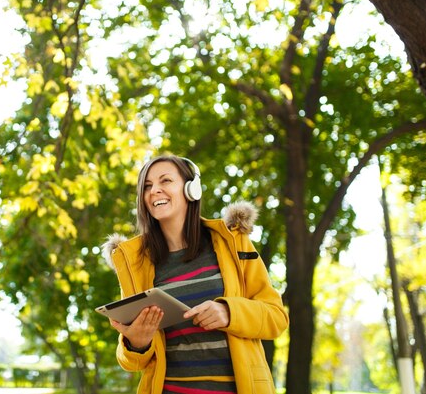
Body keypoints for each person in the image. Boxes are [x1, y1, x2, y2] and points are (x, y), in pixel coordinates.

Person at [102, 155, 288, 394]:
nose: (155, 190)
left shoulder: (232, 242)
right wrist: (137, 342)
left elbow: (276, 318)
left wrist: (229, 312)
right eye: (147, 186)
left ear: (191, 189)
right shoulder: (135, 262)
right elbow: (131, 362)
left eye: (165, 180)